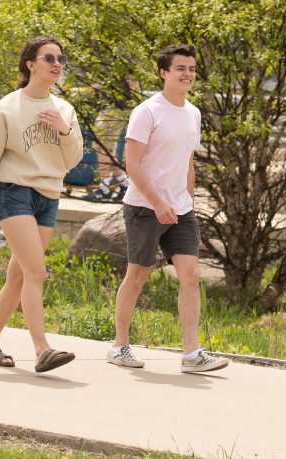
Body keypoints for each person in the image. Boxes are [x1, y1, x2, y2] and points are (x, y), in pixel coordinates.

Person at [107, 43, 228, 374]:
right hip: (145, 208)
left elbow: (187, 160)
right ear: (164, 73)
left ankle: (192, 354)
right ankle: (119, 346)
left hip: (180, 211)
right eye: (180, 69)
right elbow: (132, 164)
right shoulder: (147, 111)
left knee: (190, 276)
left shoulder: (193, 113)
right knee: (138, 275)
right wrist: (159, 202)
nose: (188, 74)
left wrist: (186, 200)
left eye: (191, 69)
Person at [0, 37, 84, 373]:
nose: (57, 64)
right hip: (15, 192)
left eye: (61, 58)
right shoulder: (6, 108)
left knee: (18, 276)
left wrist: (63, 130)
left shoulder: (65, 111)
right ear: (31, 63)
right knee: (36, 271)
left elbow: (73, 159)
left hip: (48, 197)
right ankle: (42, 348)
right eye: (49, 58)